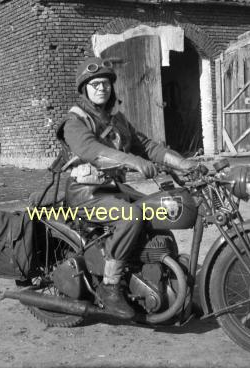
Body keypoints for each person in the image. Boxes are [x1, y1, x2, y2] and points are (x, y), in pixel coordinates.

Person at [56, 57, 201, 319]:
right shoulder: (75, 122)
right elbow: (93, 151)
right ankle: (111, 288)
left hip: (113, 189)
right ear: (84, 89)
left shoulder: (118, 120)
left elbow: (148, 147)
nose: (102, 88)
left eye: (106, 83)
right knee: (130, 215)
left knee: (156, 209)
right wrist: (134, 162)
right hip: (85, 195)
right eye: (95, 84)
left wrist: (183, 163)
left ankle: (162, 278)